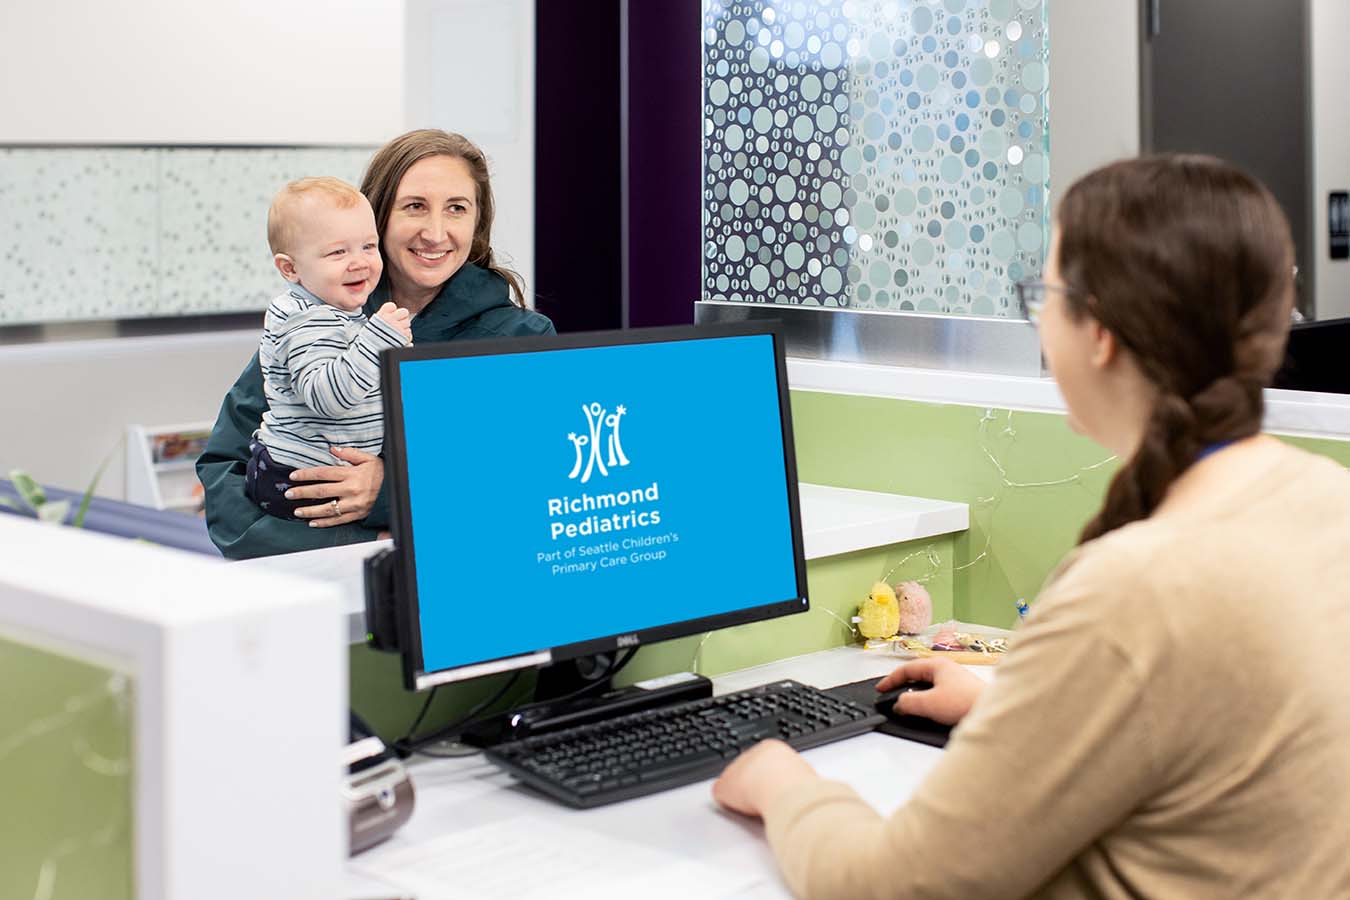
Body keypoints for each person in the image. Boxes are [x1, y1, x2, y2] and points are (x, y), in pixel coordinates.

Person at [712, 155, 1350, 898]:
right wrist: (1016, 711)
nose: (1039, 318)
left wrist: (782, 781)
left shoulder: (1132, 590)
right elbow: (1219, 734)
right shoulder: (1325, 500)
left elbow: (893, 888)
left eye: (1043, 293)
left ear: (1101, 333)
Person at [199, 130, 554, 559]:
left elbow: (531, 494)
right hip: (307, 592)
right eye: (415, 207)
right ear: (378, 214)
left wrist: (389, 493)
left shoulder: (523, 340)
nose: (435, 232)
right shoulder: (313, 318)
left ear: (476, 223)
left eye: (456, 209)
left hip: (443, 605)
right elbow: (224, 467)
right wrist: (353, 548)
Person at [246, 177, 411, 520]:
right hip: (295, 477)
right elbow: (329, 397)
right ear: (290, 268)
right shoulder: (306, 320)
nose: (360, 262)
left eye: (368, 246)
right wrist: (380, 338)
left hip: (322, 474)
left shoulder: (337, 311)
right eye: (338, 252)